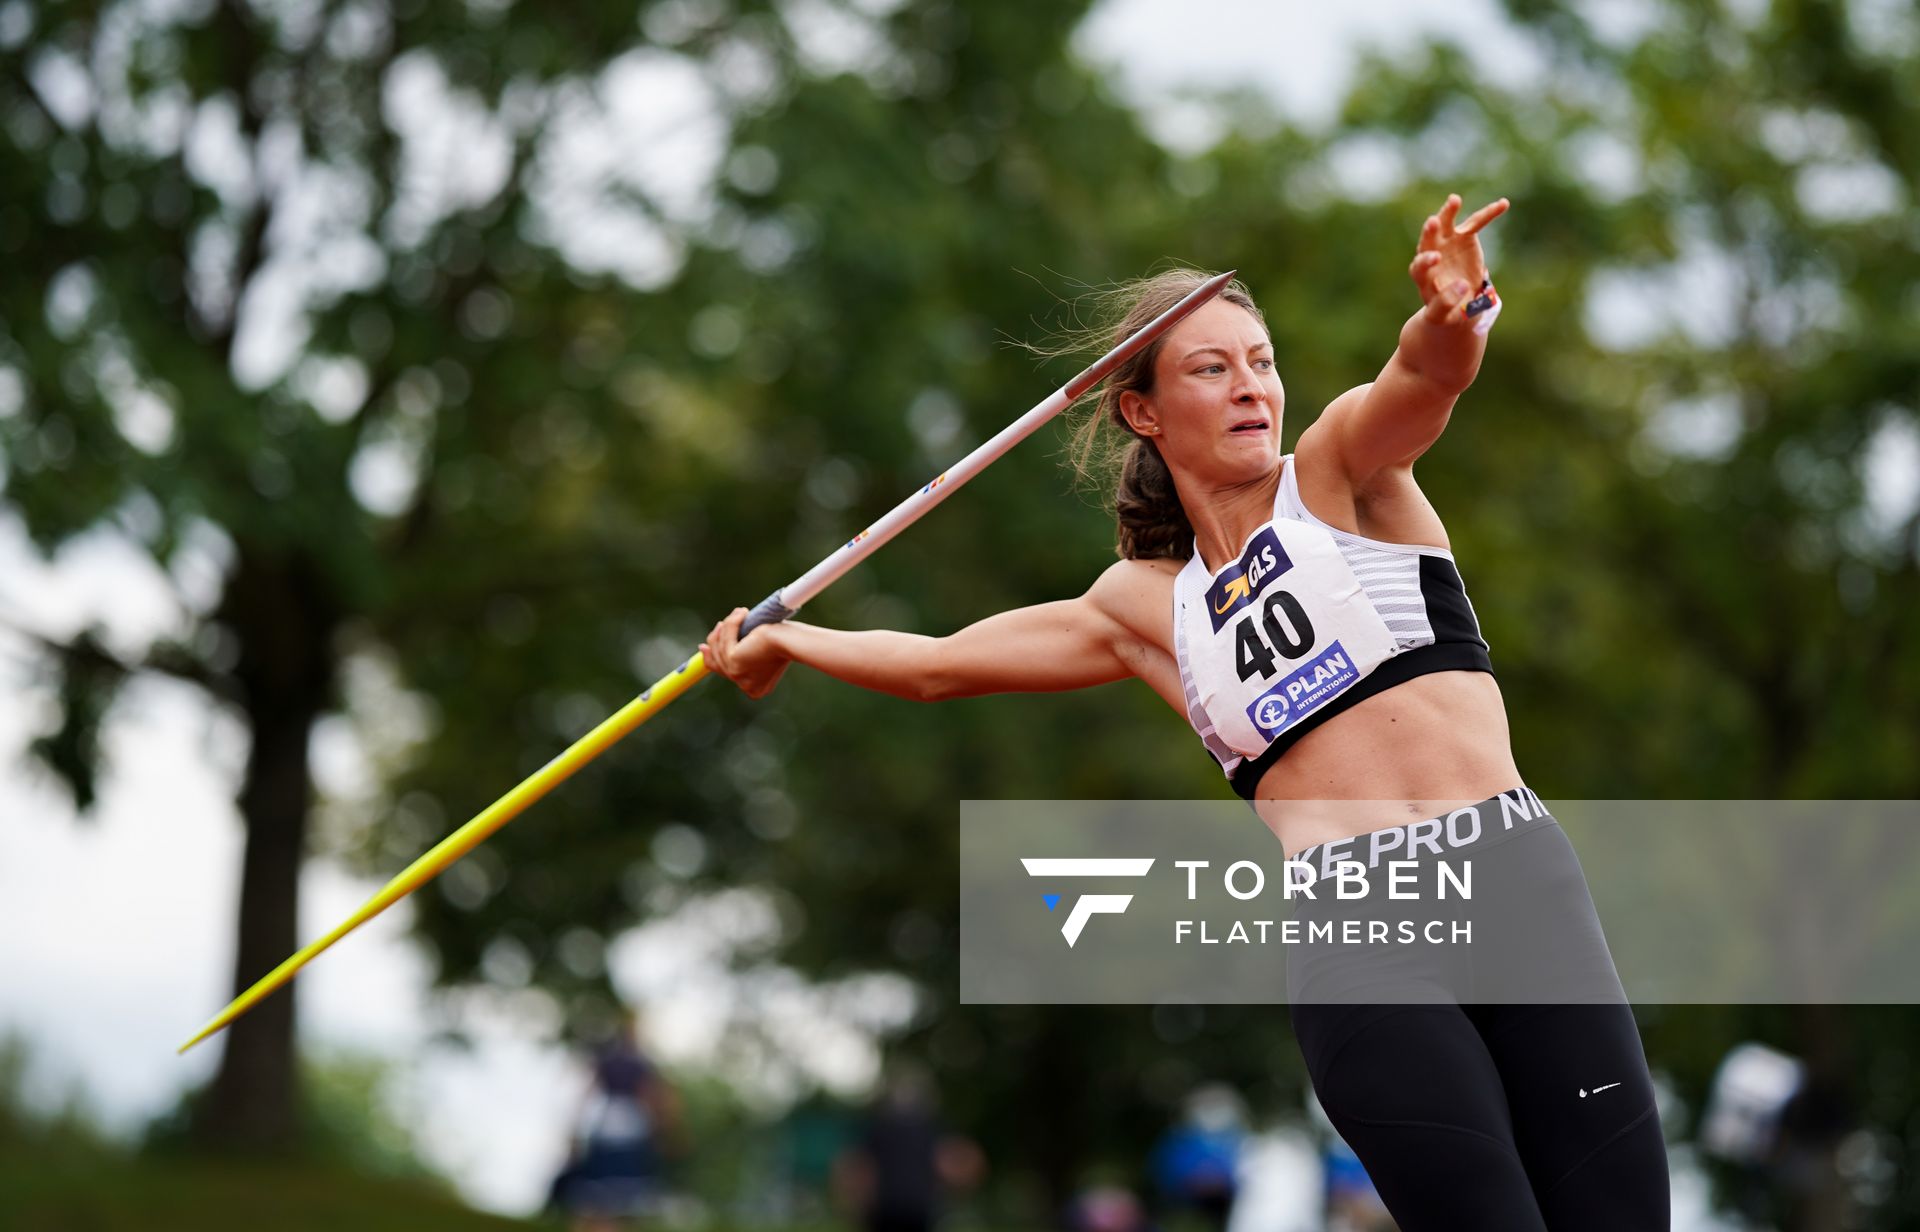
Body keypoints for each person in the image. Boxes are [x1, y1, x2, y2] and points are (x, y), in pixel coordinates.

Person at [700, 194, 1670, 1229]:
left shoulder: (1343, 473)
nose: (1252, 385)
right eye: (1212, 367)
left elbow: (1428, 376)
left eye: (1260, 359)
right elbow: (940, 663)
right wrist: (791, 638)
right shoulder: (1144, 605)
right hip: (1360, 934)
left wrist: (1457, 304)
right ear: (1142, 410)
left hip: (1515, 886)